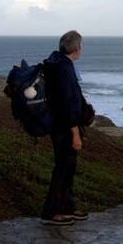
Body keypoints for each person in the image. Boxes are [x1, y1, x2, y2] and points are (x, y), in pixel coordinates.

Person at [40, 30, 90, 226]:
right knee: (62, 168)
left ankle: (67, 207)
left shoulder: (58, 62)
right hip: (64, 128)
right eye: (82, 46)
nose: (82, 49)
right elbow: (68, 103)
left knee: (68, 167)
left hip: (60, 125)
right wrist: (75, 133)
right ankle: (50, 212)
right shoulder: (63, 68)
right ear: (77, 48)